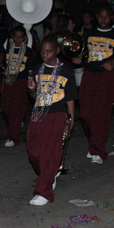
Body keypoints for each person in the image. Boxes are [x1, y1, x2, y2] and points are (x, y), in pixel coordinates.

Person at [26, 35, 77, 205]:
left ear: (57, 51)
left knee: (50, 153)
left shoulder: (66, 71)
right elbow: (35, 97)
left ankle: (44, 192)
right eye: (42, 51)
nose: (45, 54)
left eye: (49, 51)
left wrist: (71, 119)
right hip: (39, 114)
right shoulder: (37, 70)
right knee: (33, 152)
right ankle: (50, 172)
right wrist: (32, 90)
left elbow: (70, 98)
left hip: (58, 115)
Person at [73, 3, 114, 164]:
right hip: (89, 75)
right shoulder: (88, 34)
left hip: (107, 77)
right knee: (85, 114)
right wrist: (78, 59)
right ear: (96, 17)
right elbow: (82, 54)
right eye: (100, 17)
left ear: (112, 18)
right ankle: (94, 144)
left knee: (101, 115)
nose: (103, 20)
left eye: (107, 17)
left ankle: (98, 151)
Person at [1, 25, 35, 147]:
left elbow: (30, 70)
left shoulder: (28, 51)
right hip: (9, 81)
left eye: (21, 37)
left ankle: (12, 137)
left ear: (24, 38)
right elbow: (5, 67)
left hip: (21, 82)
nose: (18, 39)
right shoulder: (8, 49)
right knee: (5, 108)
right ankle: (16, 123)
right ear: (12, 37)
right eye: (16, 36)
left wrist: (30, 84)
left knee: (16, 109)